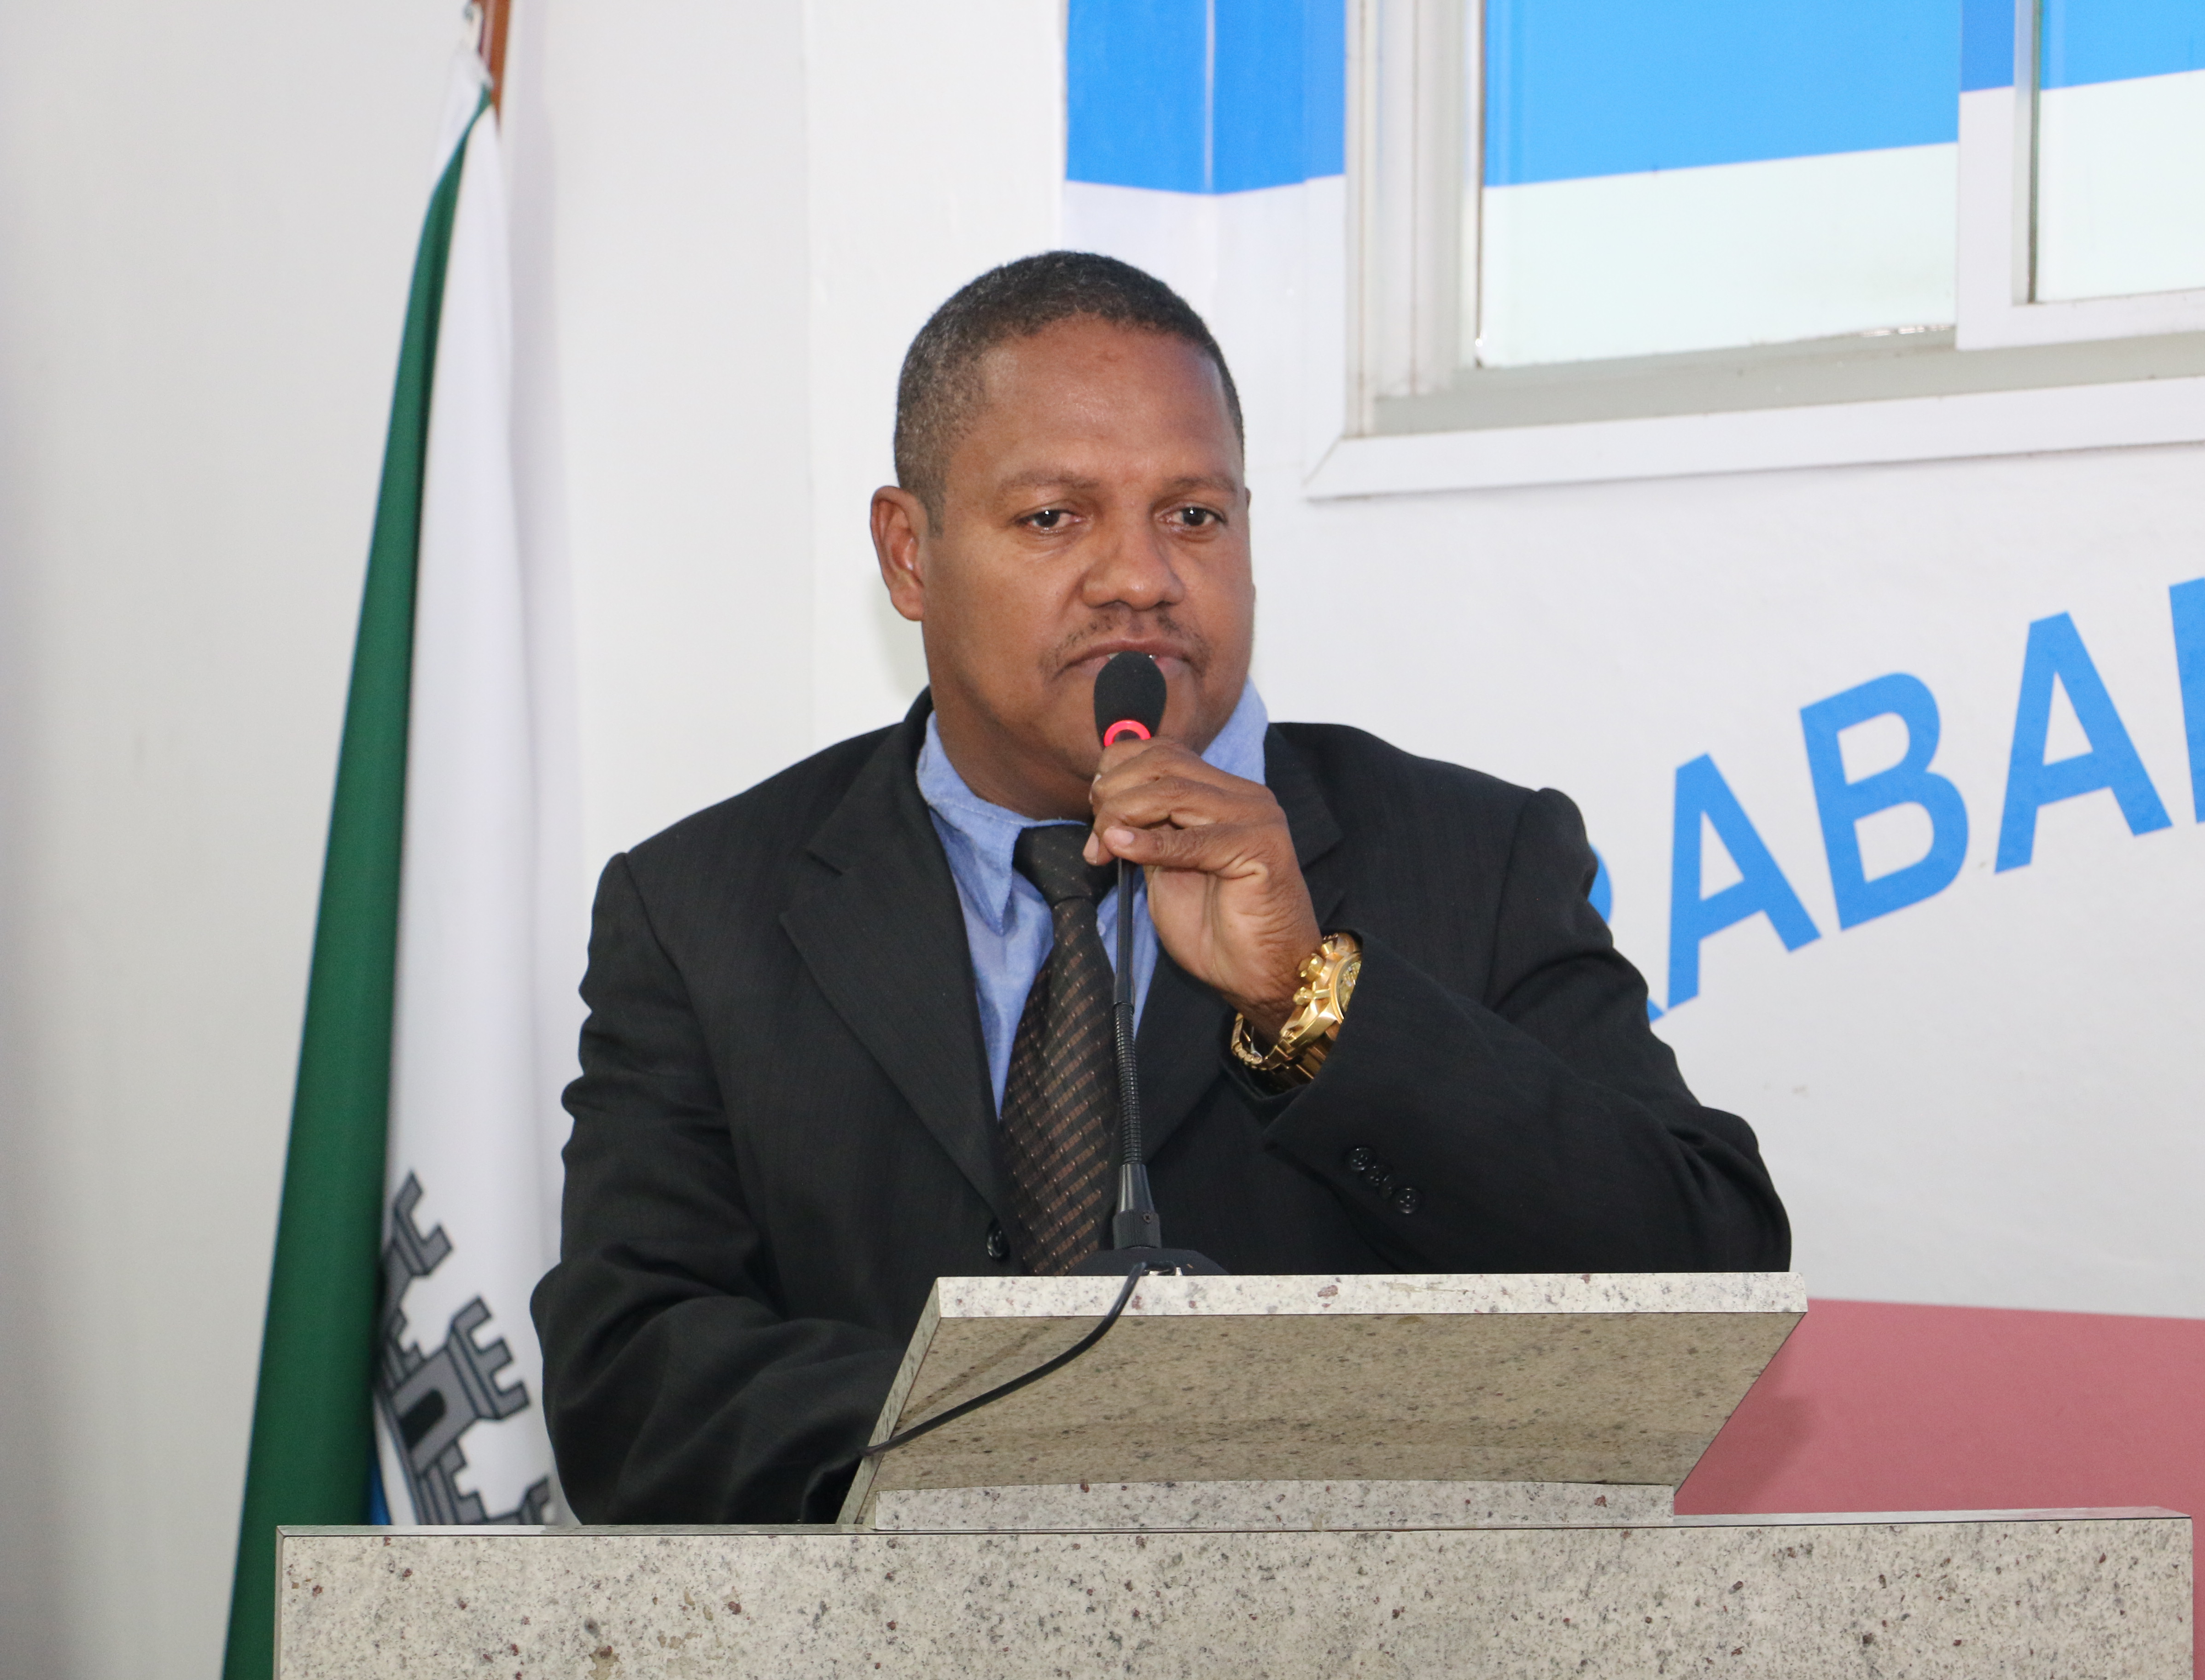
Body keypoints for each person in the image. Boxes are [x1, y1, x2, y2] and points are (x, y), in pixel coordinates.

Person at [531, 251, 1790, 1524]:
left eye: (1193, 516)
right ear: (909, 556)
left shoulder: (1476, 854)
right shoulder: (702, 909)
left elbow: (1701, 1281)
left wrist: (1312, 1001)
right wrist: (1072, 1422)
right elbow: (628, 1382)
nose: (1141, 576)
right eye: (1054, 518)